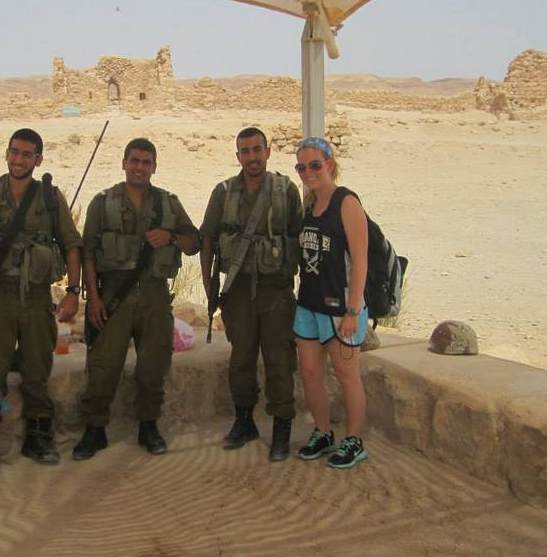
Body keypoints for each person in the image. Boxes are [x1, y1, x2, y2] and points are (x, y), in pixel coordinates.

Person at [73, 138, 199, 460]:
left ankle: (148, 425)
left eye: (146, 162)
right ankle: (95, 429)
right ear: (124, 163)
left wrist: (169, 236)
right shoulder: (103, 203)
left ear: (154, 167)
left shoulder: (168, 204)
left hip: (155, 295)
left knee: (153, 365)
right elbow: (88, 252)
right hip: (114, 295)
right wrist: (93, 299)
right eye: (134, 161)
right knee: (103, 366)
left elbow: (193, 242)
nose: (139, 167)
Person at [0, 128, 83, 476]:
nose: (19, 160)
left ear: (39, 160)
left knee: (37, 368)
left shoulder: (50, 197)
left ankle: (38, 435)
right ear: (7, 154)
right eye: (14, 152)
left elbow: (71, 244)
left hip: (36, 295)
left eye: (27, 154)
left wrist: (73, 292)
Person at [200, 127, 303, 461]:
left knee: (280, 359)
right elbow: (207, 240)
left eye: (257, 149)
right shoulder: (224, 192)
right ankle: (244, 422)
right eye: (245, 151)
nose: (252, 157)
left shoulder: (286, 190)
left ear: (268, 151)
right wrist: (209, 287)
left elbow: (299, 240)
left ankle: (281, 432)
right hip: (239, 290)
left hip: (276, 290)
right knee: (241, 358)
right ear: (238, 156)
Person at [292, 137, 369, 469]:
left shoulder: (346, 203)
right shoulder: (308, 205)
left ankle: (353, 439)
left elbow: (361, 262)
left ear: (330, 164)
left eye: (314, 165)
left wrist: (352, 310)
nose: (308, 172)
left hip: (341, 308)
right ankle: (322, 432)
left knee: (346, 374)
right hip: (309, 302)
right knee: (310, 373)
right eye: (301, 167)